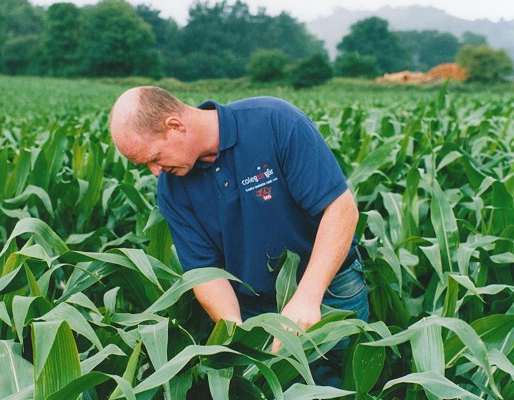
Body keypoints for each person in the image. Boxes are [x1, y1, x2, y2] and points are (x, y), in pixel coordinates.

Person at [109, 86, 369, 386]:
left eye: (154, 157)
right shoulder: (172, 188)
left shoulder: (274, 122)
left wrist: (307, 296)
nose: (155, 172)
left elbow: (341, 209)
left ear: (175, 126)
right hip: (255, 309)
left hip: (330, 288)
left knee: (350, 386)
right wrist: (240, 335)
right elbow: (204, 273)